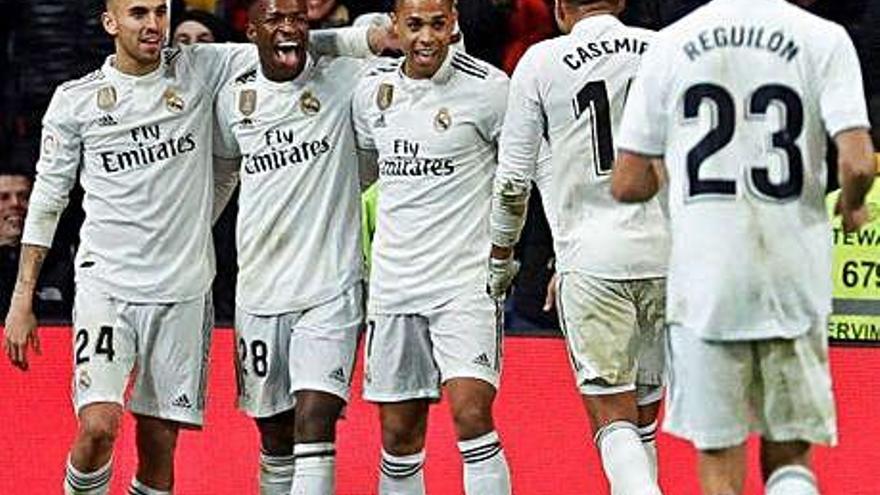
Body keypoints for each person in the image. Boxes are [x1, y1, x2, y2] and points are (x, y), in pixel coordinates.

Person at [1, 0, 379, 492]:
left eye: (160, 11)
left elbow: (288, 40)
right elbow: (49, 198)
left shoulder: (200, 67)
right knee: (98, 427)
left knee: (158, 444)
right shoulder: (77, 100)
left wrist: (370, 38)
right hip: (107, 285)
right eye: (138, 13)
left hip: (183, 290)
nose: (153, 24)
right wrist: (21, 297)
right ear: (111, 23)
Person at [611, 1, 875, 494]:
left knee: (720, 452)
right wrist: (853, 205)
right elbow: (858, 163)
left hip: (705, 283)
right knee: (791, 450)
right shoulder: (823, 37)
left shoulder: (670, 43)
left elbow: (627, 182)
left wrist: (674, 171)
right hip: (791, 275)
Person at [212, 0, 395, 492]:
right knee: (274, 434)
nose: (289, 27)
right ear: (251, 32)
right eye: (275, 19)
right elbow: (223, 173)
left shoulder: (343, 77)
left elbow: (381, 34)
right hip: (259, 289)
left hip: (330, 286)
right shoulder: (233, 96)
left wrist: (367, 36)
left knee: (315, 417)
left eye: (297, 18)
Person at [487, 1, 668, 494]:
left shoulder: (542, 62)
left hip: (592, 260)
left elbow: (512, 182)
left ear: (560, 8)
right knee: (645, 417)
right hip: (665, 254)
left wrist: (501, 258)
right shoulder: (662, 50)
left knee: (613, 420)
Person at [352, 0, 512, 493]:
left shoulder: (489, 89)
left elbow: (523, 173)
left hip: (463, 283)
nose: (426, 38)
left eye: (438, 25)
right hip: (394, 284)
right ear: (394, 25)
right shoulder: (370, 94)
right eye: (415, 25)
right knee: (399, 435)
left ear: (455, 21)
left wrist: (510, 249)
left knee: (471, 414)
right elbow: (362, 174)